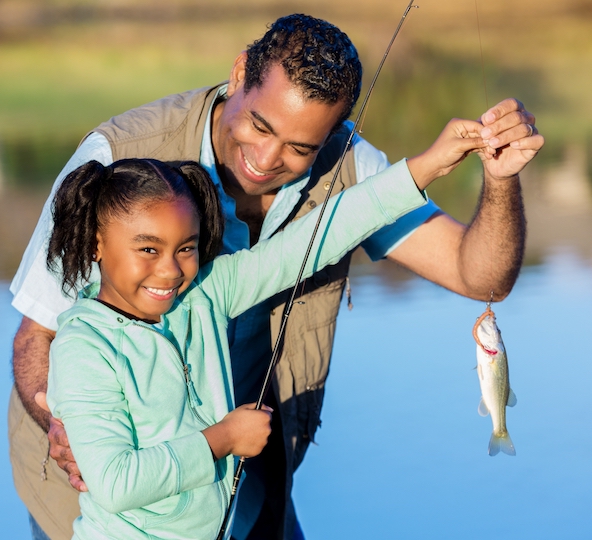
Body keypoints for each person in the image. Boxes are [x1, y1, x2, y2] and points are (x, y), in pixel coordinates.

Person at [8, 13, 543, 540]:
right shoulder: (116, 159)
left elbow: (363, 239)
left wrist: (454, 169)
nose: (265, 159)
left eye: (301, 147)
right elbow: (38, 338)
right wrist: (65, 426)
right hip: (102, 506)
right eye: (261, 125)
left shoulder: (209, 285)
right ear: (239, 73)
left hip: (236, 489)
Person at [40, 119, 489, 538]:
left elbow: (317, 239)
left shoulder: (206, 292)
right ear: (98, 244)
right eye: (148, 249)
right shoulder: (84, 347)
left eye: (186, 248)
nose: (170, 272)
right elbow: (116, 484)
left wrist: (426, 166)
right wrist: (225, 439)